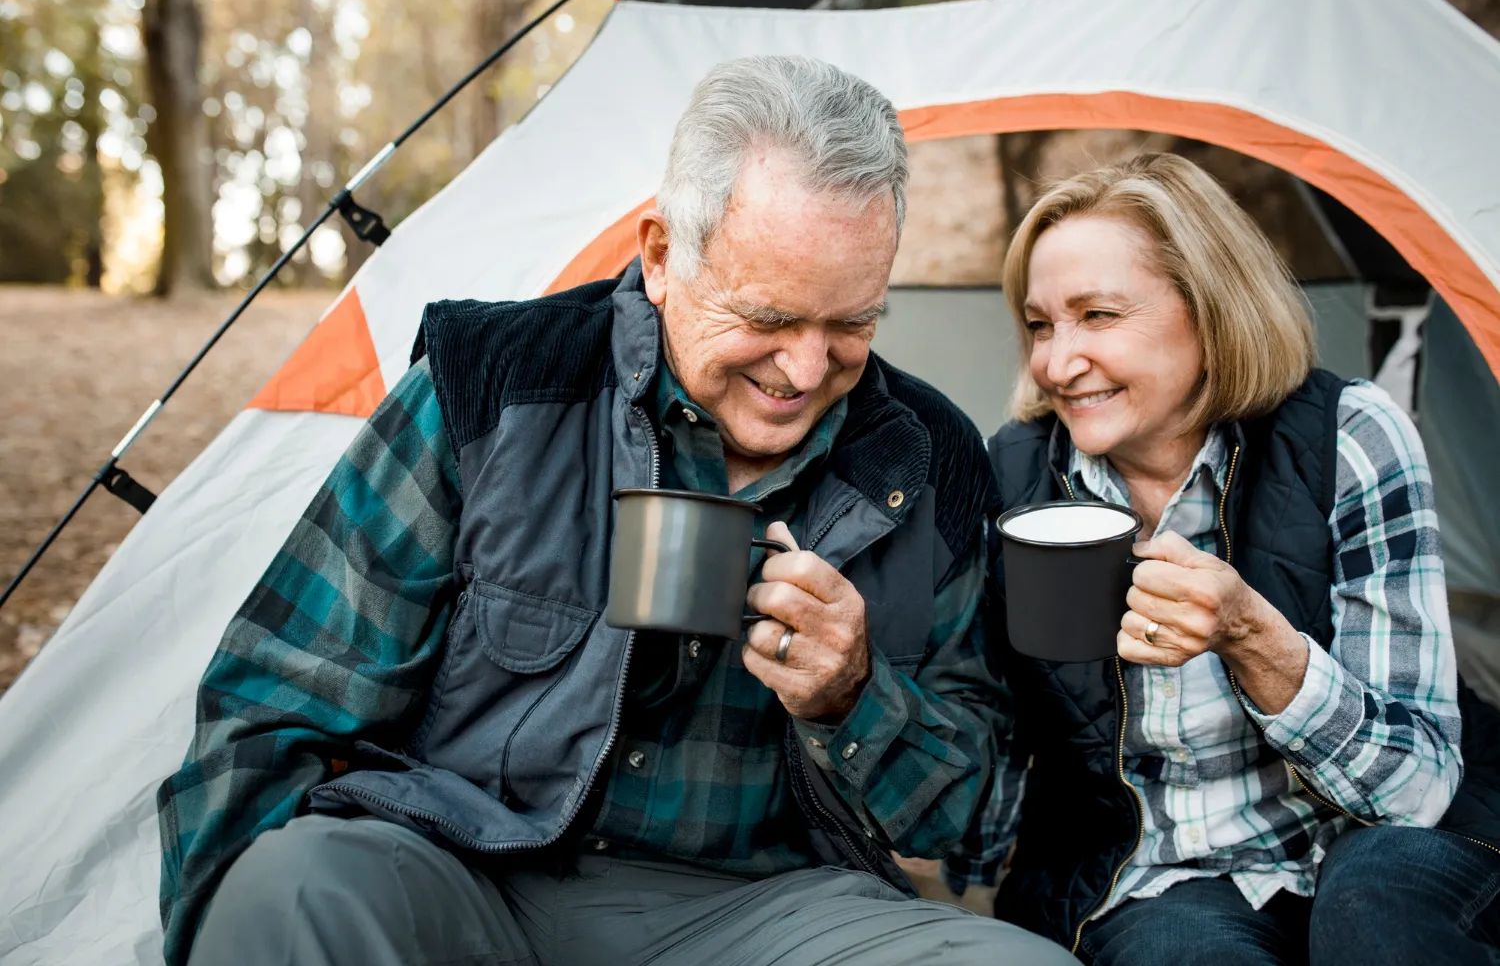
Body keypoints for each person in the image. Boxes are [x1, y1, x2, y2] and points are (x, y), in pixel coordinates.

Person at [156, 55, 1074, 966]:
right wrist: (234, 921)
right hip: (463, 863)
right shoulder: (495, 390)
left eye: (851, 325)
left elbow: (979, 822)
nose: (803, 371)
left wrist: (855, 697)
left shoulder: (928, 458)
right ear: (664, 256)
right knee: (297, 886)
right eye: (766, 317)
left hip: (768, 914)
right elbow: (272, 706)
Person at [945, 152, 1500, 964]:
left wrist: (1254, 638)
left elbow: (1415, 794)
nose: (1056, 363)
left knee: (1373, 907)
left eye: (1099, 316)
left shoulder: (1349, 438)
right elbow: (982, 816)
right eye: (1040, 324)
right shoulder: (1013, 482)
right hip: (1155, 871)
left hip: (1378, 835)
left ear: (1210, 310)